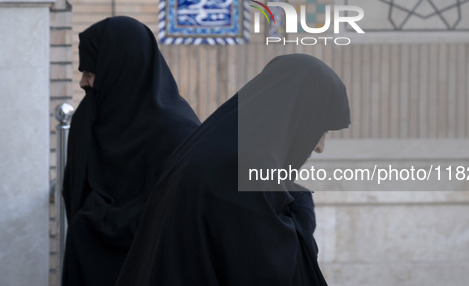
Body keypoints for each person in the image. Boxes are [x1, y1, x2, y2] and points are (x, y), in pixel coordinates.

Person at [115, 53, 351, 286]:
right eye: (321, 129)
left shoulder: (212, 147)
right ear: (300, 117)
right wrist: (301, 208)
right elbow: (270, 272)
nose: (320, 147)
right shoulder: (247, 167)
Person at [61, 16, 201, 286]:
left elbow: (176, 208)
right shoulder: (98, 119)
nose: (83, 82)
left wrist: (99, 221)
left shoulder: (177, 131)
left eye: (90, 71)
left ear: (119, 68)